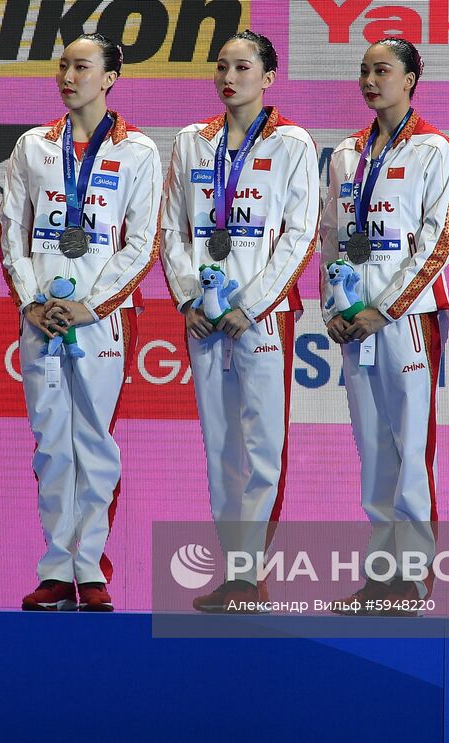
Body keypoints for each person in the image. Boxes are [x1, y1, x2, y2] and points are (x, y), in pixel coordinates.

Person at [0, 33, 162, 612]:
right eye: (62, 65)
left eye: (82, 66)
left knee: (94, 442)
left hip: (101, 321)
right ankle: (54, 568)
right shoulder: (32, 146)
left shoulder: (138, 151)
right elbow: (11, 234)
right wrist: (32, 302)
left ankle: (89, 567)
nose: (68, 75)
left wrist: (89, 305)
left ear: (111, 76)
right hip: (40, 319)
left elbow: (143, 244)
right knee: (49, 445)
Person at [159, 31, 318, 613]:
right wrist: (189, 299)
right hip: (203, 318)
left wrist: (246, 305)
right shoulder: (190, 142)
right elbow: (172, 229)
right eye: (222, 66)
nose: (229, 77)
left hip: (261, 318)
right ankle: (232, 570)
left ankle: (250, 575)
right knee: (219, 446)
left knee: (261, 445)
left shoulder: (293, 143)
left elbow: (301, 236)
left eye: (243, 66)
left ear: (269, 76)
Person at [321, 38, 449, 616]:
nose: (370, 80)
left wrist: (388, 307)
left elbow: (437, 243)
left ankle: (414, 575)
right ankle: (381, 574)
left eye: (382, 70)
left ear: (411, 79)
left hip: (407, 320)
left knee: (410, 447)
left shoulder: (435, 149)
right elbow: (331, 236)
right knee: (373, 450)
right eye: (364, 71)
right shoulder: (347, 154)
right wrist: (335, 305)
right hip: (357, 323)